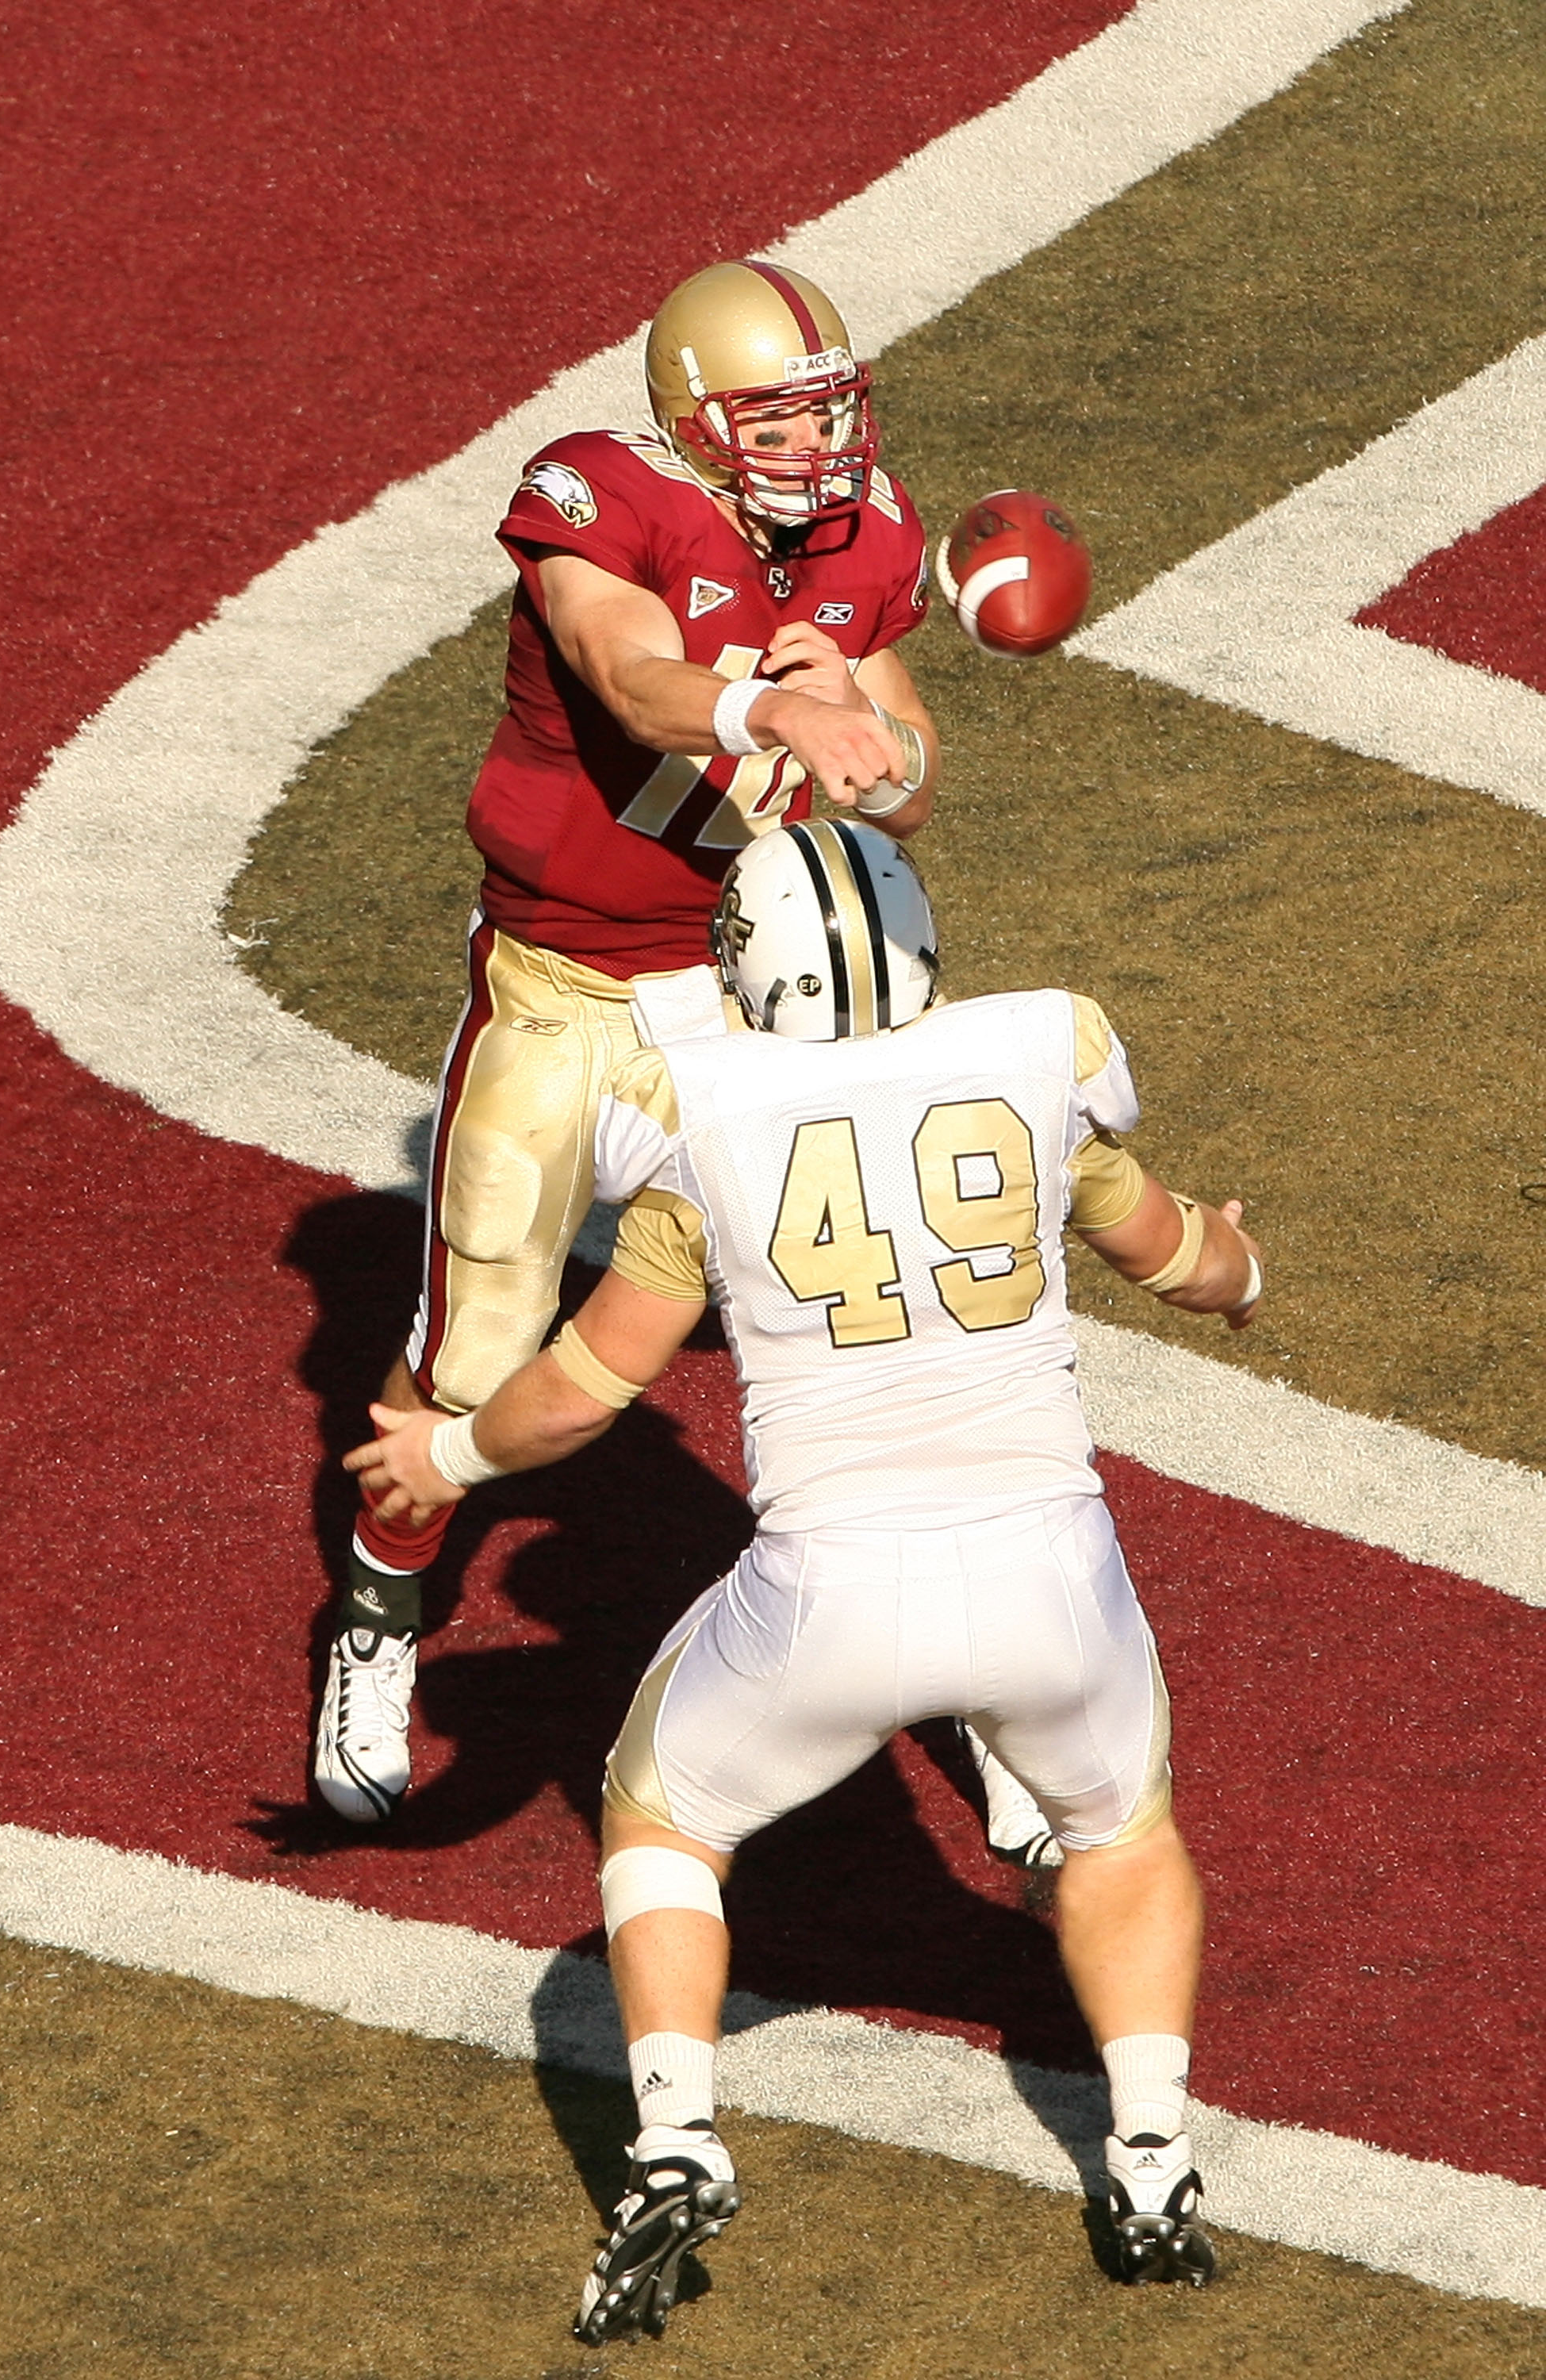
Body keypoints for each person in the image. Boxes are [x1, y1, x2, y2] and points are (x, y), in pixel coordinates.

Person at [347, 818, 1263, 2336]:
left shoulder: (703, 1116)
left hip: (829, 1589)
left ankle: (674, 2140)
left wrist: (446, 1461)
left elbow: (581, 1388)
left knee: (663, 1815)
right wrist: (1242, 1266)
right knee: (1120, 1835)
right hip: (1053, 1570)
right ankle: (1153, 2153)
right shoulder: (1039, 1063)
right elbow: (1180, 1256)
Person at [312, 254, 944, 1821]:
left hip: (744, 1010)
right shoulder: (597, 497)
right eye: (779, 425)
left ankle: (965, 1682)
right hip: (558, 993)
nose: (820, 452)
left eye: (827, 417)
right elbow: (625, 672)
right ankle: (378, 1623)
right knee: (471, 1356)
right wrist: (767, 708)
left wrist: (867, 730)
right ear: (692, 420)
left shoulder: (864, 543)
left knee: (868, 1322)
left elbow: (903, 774)